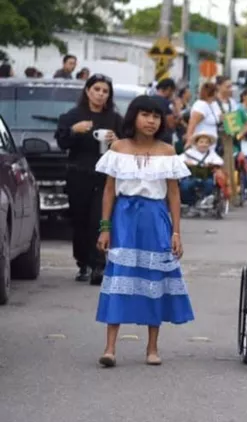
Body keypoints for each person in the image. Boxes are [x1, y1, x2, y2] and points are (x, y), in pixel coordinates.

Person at [94, 96, 194, 367]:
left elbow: (173, 194)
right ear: (133, 117)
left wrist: (176, 233)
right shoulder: (118, 148)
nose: (151, 121)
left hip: (155, 218)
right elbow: (108, 190)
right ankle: (110, 347)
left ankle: (152, 347)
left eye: (156, 116)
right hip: (124, 218)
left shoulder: (168, 152)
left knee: (154, 279)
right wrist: (105, 228)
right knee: (119, 276)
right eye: (145, 115)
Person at [55, 74, 123, 285]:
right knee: (80, 220)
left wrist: (117, 141)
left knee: (99, 219)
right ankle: (83, 262)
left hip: (105, 177)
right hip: (79, 174)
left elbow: (127, 145)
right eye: (97, 90)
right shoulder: (73, 116)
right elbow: (62, 142)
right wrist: (74, 130)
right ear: (87, 91)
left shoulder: (114, 119)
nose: (100, 95)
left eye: (105, 91)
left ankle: (98, 265)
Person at [185, 82, 220, 151]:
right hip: (200, 144)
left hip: (210, 145)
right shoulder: (201, 105)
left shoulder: (213, 104)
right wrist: (189, 140)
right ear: (214, 93)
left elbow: (220, 117)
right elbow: (192, 123)